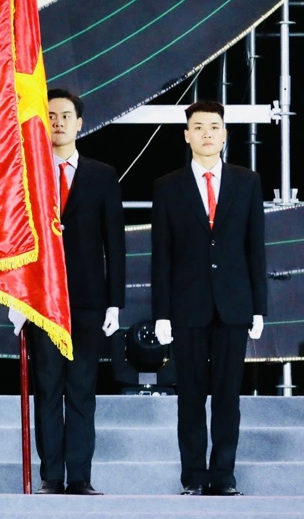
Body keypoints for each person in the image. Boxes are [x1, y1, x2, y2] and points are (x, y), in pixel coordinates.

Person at [11, 89, 126, 496]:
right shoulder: (28, 174)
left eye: (65, 116)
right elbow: (16, 239)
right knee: (48, 388)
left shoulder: (102, 174)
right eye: (51, 115)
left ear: (80, 123)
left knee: (81, 388)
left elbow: (115, 241)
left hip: (89, 300)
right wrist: (17, 297)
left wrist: (116, 300)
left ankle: (80, 476)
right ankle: (50, 477)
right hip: (42, 298)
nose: (57, 122)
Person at [151, 100, 266, 496]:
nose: (206, 134)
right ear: (186, 135)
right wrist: (161, 313)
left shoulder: (247, 181)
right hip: (187, 306)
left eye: (213, 127)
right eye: (198, 127)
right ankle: (194, 477)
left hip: (234, 305)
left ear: (225, 133)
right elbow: (161, 254)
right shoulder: (167, 186)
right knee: (191, 397)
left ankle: (224, 476)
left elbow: (256, 248)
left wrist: (259, 307)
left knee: (228, 396)